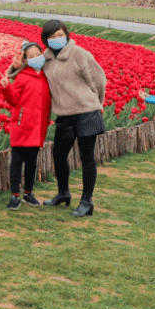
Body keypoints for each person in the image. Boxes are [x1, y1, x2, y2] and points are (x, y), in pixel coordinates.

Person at [38, 20, 106, 217]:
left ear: (66, 34)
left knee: (86, 157)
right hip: (64, 115)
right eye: (52, 36)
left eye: (60, 34)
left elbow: (99, 79)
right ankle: (63, 193)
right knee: (59, 155)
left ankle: (86, 202)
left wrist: (96, 102)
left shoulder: (79, 54)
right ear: (46, 40)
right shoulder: (46, 58)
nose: (57, 39)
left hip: (86, 112)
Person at [0, 41, 52, 210]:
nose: (36, 57)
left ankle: (28, 193)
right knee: (17, 161)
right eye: (31, 56)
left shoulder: (46, 76)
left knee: (32, 162)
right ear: (26, 61)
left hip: (38, 126)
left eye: (38, 54)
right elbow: (13, 99)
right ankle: (15, 196)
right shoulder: (22, 77)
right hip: (22, 126)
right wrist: (6, 88)